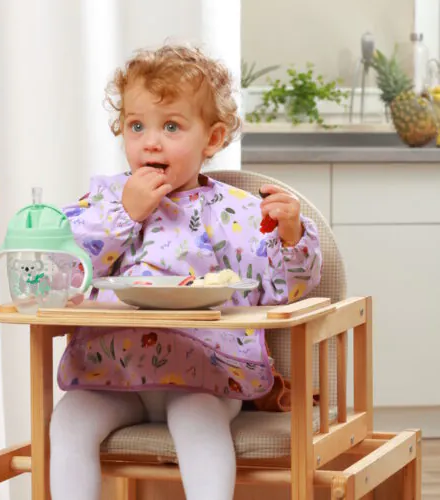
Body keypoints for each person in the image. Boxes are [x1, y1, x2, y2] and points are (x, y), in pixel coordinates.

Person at [50, 44, 322, 500]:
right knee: (69, 420)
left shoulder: (235, 212)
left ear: (211, 140)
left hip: (206, 375)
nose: (150, 142)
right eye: (137, 126)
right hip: (113, 372)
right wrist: (123, 215)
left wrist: (291, 235)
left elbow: (282, 287)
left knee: (198, 419)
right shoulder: (106, 201)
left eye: (171, 126)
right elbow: (65, 267)